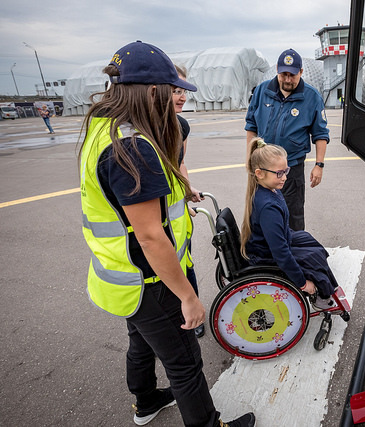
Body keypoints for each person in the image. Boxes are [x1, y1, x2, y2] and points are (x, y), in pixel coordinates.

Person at [78, 40, 254, 427]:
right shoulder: (132, 148)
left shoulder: (103, 129)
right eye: (172, 91)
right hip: (154, 280)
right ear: (153, 90)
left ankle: (145, 402)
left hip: (127, 280)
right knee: (185, 364)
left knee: (140, 343)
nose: (178, 99)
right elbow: (151, 237)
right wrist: (188, 297)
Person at [240, 138, 339, 309]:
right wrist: (302, 283)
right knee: (312, 260)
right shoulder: (268, 207)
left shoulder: (270, 189)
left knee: (309, 242)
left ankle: (327, 285)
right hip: (266, 255)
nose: (285, 177)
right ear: (259, 173)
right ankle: (321, 297)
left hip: (268, 244)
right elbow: (280, 254)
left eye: (285, 171)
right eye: (279, 173)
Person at [245, 48, 329, 231]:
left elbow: (320, 134)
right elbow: (251, 125)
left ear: (301, 72)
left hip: (291, 168)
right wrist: (250, 158)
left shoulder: (312, 97)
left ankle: (294, 251)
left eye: (292, 75)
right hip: (262, 168)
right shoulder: (262, 91)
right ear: (277, 69)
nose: (288, 80)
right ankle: (263, 252)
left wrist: (319, 165)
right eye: (284, 74)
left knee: (293, 215)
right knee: (260, 211)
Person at [173, 64, 205, 338]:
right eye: (175, 90)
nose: (182, 96)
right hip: (157, 215)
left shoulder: (181, 126)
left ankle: (192, 312)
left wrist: (186, 189)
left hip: (176, 214)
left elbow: (180, 163)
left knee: (186, 261)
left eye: (184, 90)